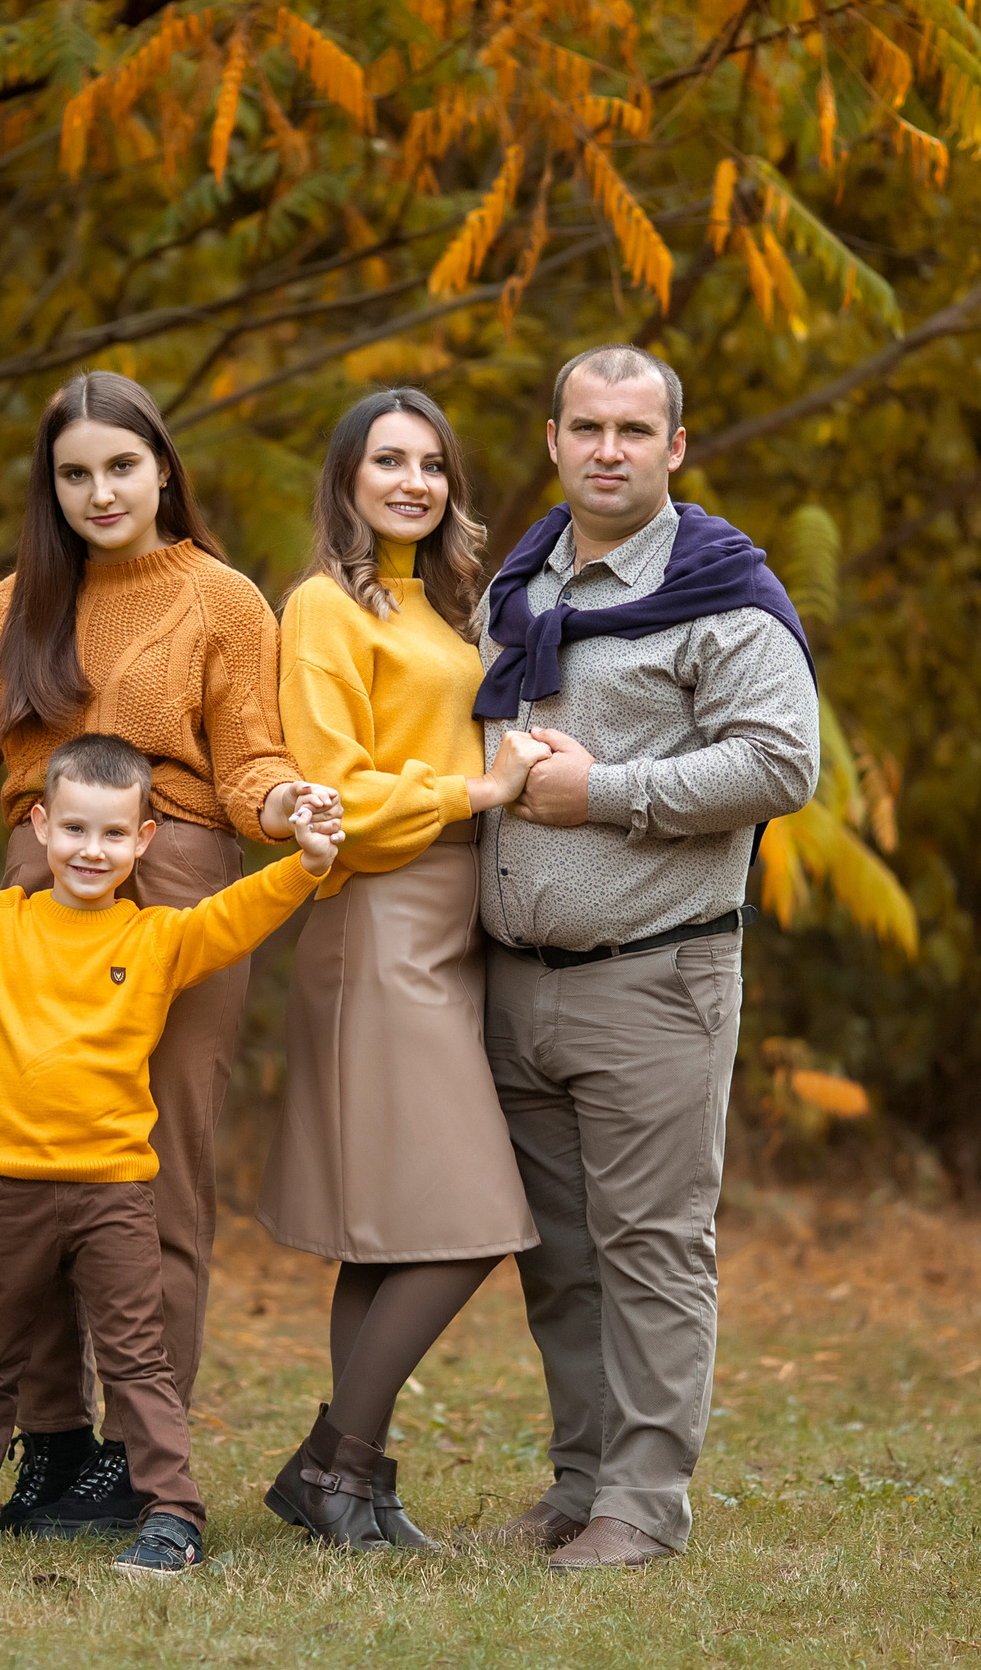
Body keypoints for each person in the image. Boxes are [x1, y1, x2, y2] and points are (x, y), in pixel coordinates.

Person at [0, 372, 337, 1536]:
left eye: (121, 467)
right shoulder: (20, 600)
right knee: (22, 1161)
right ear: (50, 486)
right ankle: (49, 1443)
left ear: (162, 469)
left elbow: (249, 763)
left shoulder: (222, 598)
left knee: (160, 1177)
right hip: (36, 888)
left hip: (177, 875)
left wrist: (289, 807)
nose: (100, 492)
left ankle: (143, 1463)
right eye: (74, 473)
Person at [0, 734, 344, 1576]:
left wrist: (306, 863)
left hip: (113, 1191)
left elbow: (238, 914)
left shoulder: (158, 938)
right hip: (4, 1186)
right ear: (42, 827)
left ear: (144, 840)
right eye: (77, 829)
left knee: (138, 1361)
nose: (94, 850)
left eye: (115, 834)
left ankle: (173, 1516)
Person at [474, 346, 819, 1570]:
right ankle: (581, 1486)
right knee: (561, 1262)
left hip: (655, 976)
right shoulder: (517, 586)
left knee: (652, 1252)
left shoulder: (723, 594)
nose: (607, 450)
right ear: (553, 439)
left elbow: (781, 761)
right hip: (515, 983)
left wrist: (606, 793)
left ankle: (644, 1506)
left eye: (633, 430)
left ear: (674, 447)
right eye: (586, 427)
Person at [260, 388, 551, 1550]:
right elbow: (335, 790)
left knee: (384, 1229)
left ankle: (351, 1490)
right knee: (474, 1220)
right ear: (346, 478)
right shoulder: (323, 609)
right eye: (387, 461)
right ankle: (335, 1469)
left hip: (453, 921)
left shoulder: (450, 606)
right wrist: (478, 789)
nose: (413, 483)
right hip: (379, 916)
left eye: (431, 464)